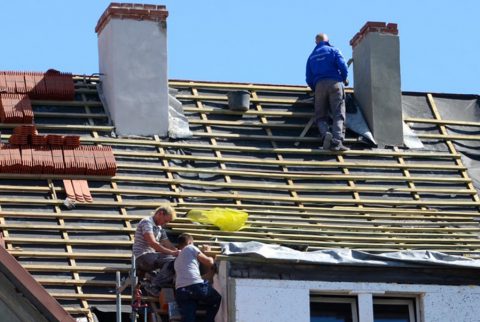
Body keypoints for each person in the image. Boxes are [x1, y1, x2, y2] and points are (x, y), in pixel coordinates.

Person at [306, 33, 349, 151]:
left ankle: (325, 135)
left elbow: (308, 78)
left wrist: (315, 88)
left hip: (319, 86)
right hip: (335, 83)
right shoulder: (333, 50)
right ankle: (337, 141)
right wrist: (344, 78)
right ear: (328, 40)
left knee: (320, 115)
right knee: (338, 113)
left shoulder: (311, 56)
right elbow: (343, 66)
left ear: (316, 42)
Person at [133, 204, 179, 295]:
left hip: (150, 257)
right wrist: (173, 252)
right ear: (160, 213)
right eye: (165, 220)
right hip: (142, 256)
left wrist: (178, 252)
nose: (165, 223)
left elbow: (167, 243)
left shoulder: (159, 228)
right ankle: (155, 285)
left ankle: (154, 280)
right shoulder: (147, 222)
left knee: (176, 261)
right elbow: (152, 243)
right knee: (172, 261)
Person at [174, 233, 221, 322]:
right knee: (216, 298)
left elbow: (194, 278)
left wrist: (211, 273)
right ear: (189, 242)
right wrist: (208, 255)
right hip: (195, 287)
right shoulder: (190, 247)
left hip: (181, 291)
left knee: (188, 319)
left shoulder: (177, 260)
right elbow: (209, 262)